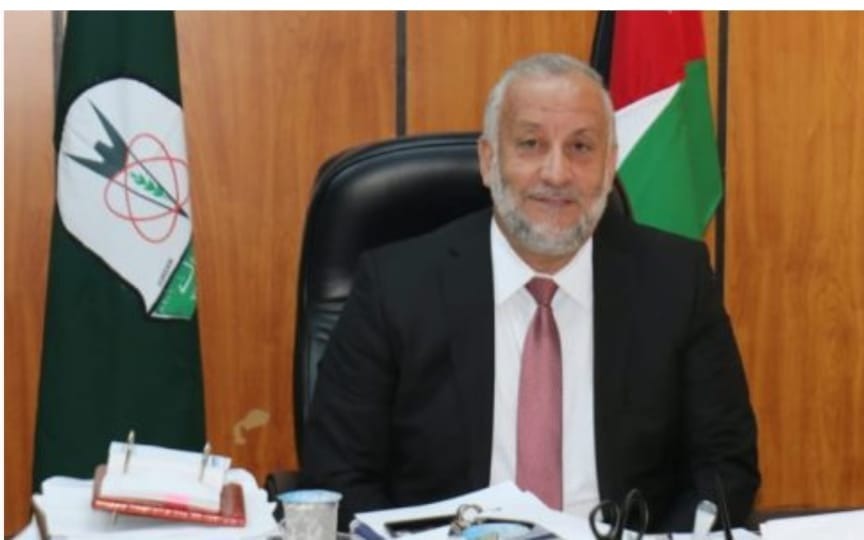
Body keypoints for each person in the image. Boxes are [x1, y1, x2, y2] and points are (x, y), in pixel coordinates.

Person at [302, 52, 760, 533]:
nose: (557, 174)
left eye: (581, 147)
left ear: (609, 166)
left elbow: (724, 468)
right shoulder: (396, 285)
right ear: (488, 161)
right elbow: (339, 473)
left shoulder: (676, 281)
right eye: (530, 144)